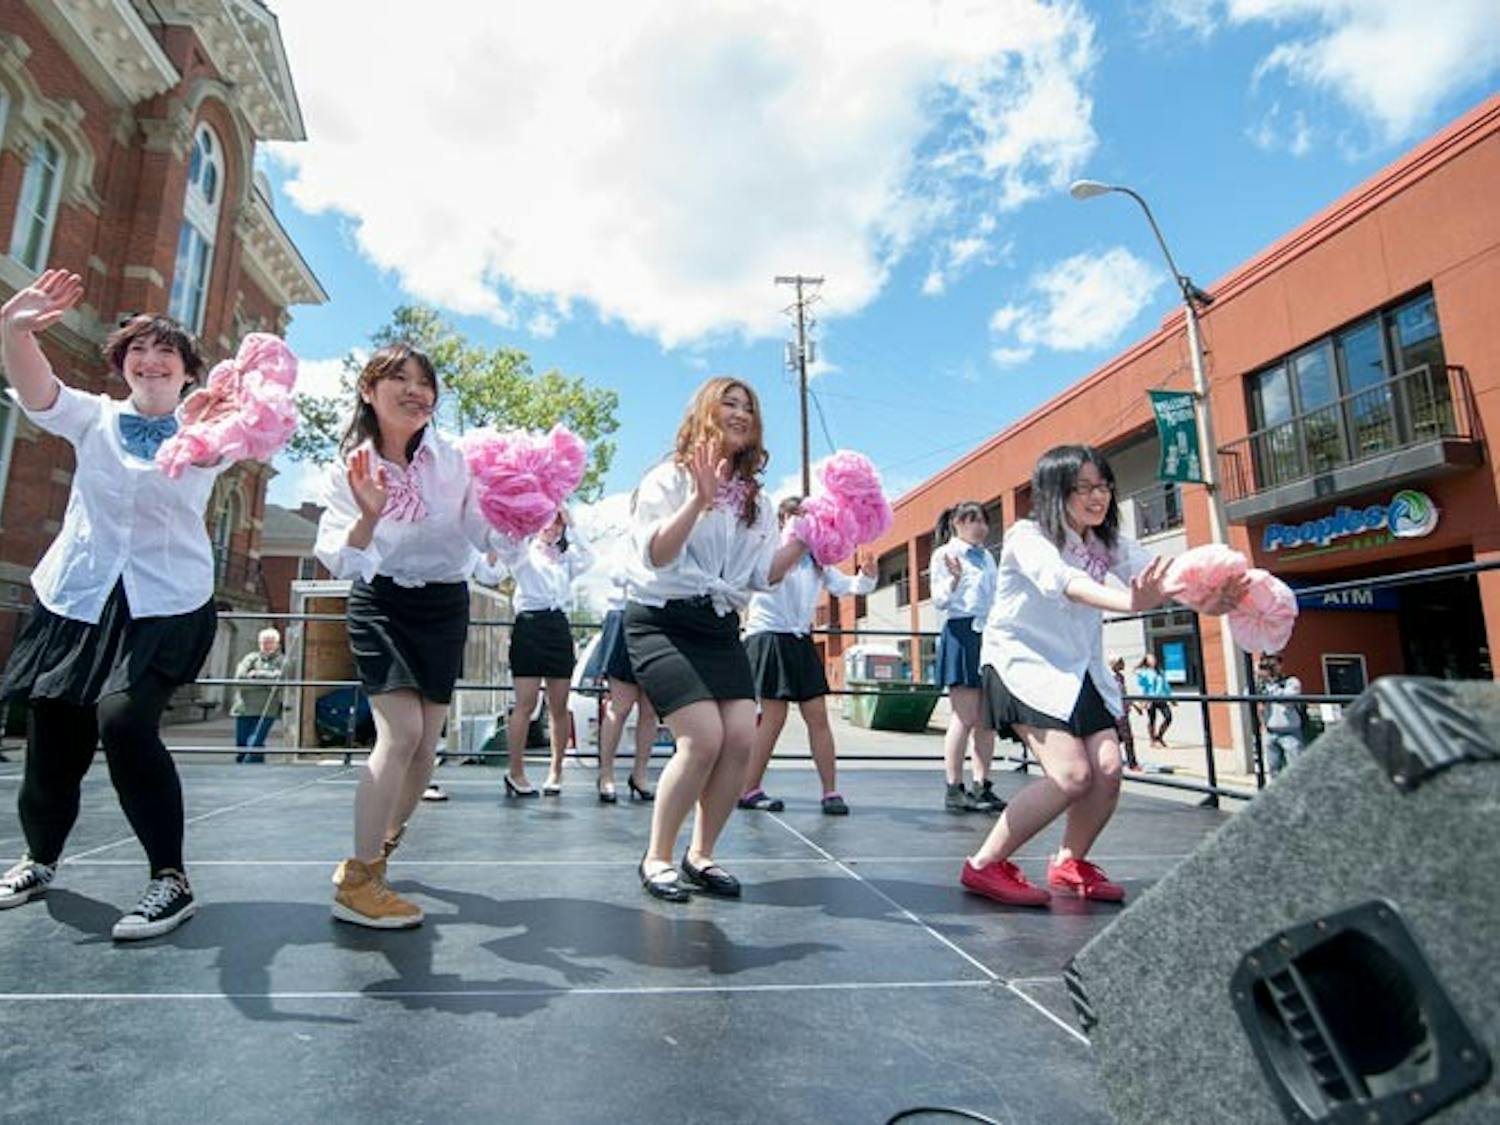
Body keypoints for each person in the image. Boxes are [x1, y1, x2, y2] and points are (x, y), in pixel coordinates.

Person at [0, 271, 235, 939]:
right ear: (124, 365)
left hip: (163, 603)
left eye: (168, 354)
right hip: (78, 597)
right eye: (138, 350)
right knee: (52, 736)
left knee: (126, 723)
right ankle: (38, 858)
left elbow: (237, 435)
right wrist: (14, 328)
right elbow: (36, 390)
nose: (151, 360)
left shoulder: (205, 431)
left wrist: (236, 405)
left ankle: (171, 879)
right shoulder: (93, 416)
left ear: (187, 372)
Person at [959, 445, 1246, 907]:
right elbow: (1066, 584)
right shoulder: (1027, 536)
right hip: (1023, 664)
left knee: (1109, 770)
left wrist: (1208, 594)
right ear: (1055, 492)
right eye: (1084, 487)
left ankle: (1070, 863)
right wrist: (1133, 603)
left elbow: (1160, 574)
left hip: (1080, 668)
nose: (1098, 497)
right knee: (1072, 775)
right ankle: (984, 865)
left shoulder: (1105, 541)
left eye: (1104, 486)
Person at [314, 342, 500, 929]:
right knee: (401, 733)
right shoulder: (347, 468)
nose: (417, 390)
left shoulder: (456, 460)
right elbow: (339, 563)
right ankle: (358, 877)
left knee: (426, 746)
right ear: (369, 390)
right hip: (382, 599)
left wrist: (518, 515)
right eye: (400, 378)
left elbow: (480, 535)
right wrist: (369, 513)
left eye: (426, 381)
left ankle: (384, 845)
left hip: (445, 601)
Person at [624, 377, 807, 902]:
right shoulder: (668, 479)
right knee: (702, 738)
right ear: (706, 410)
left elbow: (762, 574)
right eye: (730, 403)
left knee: (741, 739)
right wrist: (698, 501)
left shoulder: (756, 500)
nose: (741, 413)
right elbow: (656, 555)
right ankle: (657, 855)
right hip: (661, 620)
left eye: (748, 406)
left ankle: (700, 855)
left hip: (719, 624)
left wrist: (806, 542)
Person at [739, 498, 877, 815]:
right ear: (782, 520)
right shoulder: (769, 550)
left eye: (805, 516)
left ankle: (830, 791)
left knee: (817, 715)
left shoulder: (818, 559)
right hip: (769, 637)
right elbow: (763, 579)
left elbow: (848, 586)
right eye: (794, 516)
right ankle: (749, 789)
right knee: (773, 718)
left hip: (800, 639)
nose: (801, 521)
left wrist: (867, 576)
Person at [497, 509, 593, 797]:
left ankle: (556, 770)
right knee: (525, 704)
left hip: (558, 627)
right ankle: (516, 771)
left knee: (558, 705)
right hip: (529, 625)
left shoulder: (567, 559)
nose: (551, 528)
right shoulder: (525, 553)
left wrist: (571, 521)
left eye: (557, 523)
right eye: (547, 522)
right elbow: (505, 547)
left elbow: (589, 556)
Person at [931, 501, 1004, 814]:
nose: (981, 528)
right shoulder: (944, 554)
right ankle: (953, 786)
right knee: (963, 716)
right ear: (958, 523)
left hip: (988, 634)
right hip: (961, 633)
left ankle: (981, 784)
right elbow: (940, 600)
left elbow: (998, 595)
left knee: (986, 719)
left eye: (984, 522)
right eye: (975, 521)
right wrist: (956, 578)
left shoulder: (987, 556)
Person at [592, 568, 658, 803]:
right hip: (624, 616)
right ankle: (606, 774)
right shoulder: (625, 537)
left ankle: (640, 774)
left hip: (657, 617)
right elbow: (617, 574)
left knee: (650, 710)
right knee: (620, 706)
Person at [231, 627, 286, 763]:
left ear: (277, 644)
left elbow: (279, 681)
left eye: (270, 642)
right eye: (264, 642)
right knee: (242, 746)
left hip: (266, 710)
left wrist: (255, 674)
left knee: (254, 744)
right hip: (243, 709)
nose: (267, 645)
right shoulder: (250, 658)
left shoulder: (282, 660)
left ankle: (250, 773)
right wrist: (265, 681)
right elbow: (239, 678)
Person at [1256, 652, 1305, 778]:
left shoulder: (1291, 681)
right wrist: (1256, 680)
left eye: (1273, 663)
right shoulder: (1262, 685)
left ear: (1280, 665)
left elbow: (1287, 698)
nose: (1270, 668)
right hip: (1270, 732)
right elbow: (1246, 696)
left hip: (1290, 732)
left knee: (1297, 770)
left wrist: (1271, 684)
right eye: (1266, 664)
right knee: (1274, 771)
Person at [1134, 652, 1174, 747]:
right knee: (1152, 719)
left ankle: (1159, 736)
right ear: (1146, 661)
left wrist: (1171, 697)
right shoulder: (1144, 672)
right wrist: (1143, 700)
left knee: (1168, 717)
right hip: (1150, 699)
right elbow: (1142, 686)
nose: (1153, 660)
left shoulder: (1160, 671)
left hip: (1161, 698)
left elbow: (1166, 685)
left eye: (1153, 658)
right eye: (1150, 659)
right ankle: (1152, 740)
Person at [1109, 656, 1140, 771]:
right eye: (1121, 662)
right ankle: (1132, 764)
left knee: (1120, 738)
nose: (1123, 664)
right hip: (1117, 712)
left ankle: (1115, 759)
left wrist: (1134, 705)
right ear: (1115, 664)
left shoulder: (1121, 677)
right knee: (1127, 738)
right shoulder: (1110, 678)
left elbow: (1124, 693)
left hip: (1123, 711)